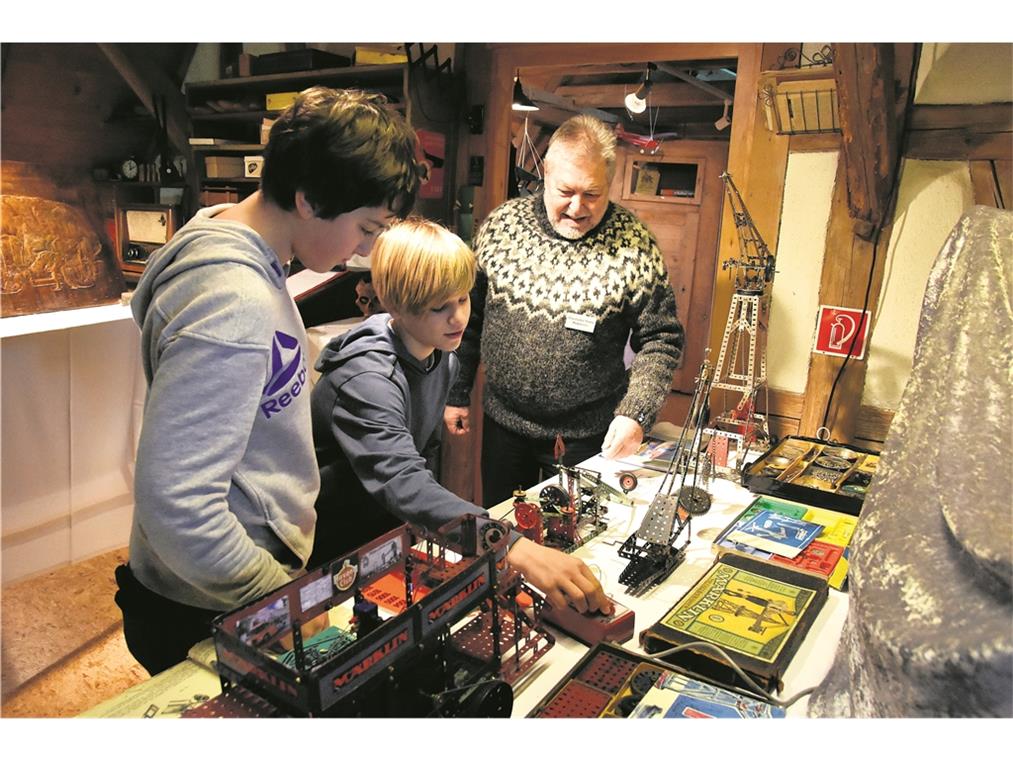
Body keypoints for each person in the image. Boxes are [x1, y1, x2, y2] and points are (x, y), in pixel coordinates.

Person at [115, 87, 425, 676]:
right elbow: (178, 503)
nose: (365, 249)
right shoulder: (233, 300)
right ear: (308, 199)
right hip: (209, 601)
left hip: (216, 582)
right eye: (365, 227)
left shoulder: (234, 243)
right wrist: (277, 601)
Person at [309, 218, 610, 614]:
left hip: (386, 531)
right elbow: (402, 478)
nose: (458, 318)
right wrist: (507, 544)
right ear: (396, 304)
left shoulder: (439, 356)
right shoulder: (367, 378)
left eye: (463, 299)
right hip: (332, 545)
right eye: (440, 307)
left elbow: (423, 457)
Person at [444, 114, 685, 507]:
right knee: (506, 527)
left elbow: (662, 339)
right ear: (546, 174)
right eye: (565, 191)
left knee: (582, 533)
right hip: (504, 427)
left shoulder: (635, 246)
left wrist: (636, 412)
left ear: (610, 184)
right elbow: (468, 318)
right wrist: (457, 391)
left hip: (590, 435)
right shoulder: (502, 228)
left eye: (592, 194)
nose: (577, 207)